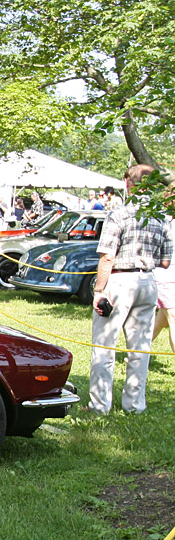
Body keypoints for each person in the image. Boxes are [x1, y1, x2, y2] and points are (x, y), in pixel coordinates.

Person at [88, 164, 173, 415]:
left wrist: (98, 291)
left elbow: (107, 257)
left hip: (120, 280)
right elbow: (166, 262)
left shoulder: (120, 214)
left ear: (129, 184)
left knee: (105, 345)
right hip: (148, 281)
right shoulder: (162, 217)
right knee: (140, 347)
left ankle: (99, 406)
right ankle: (135, 405)